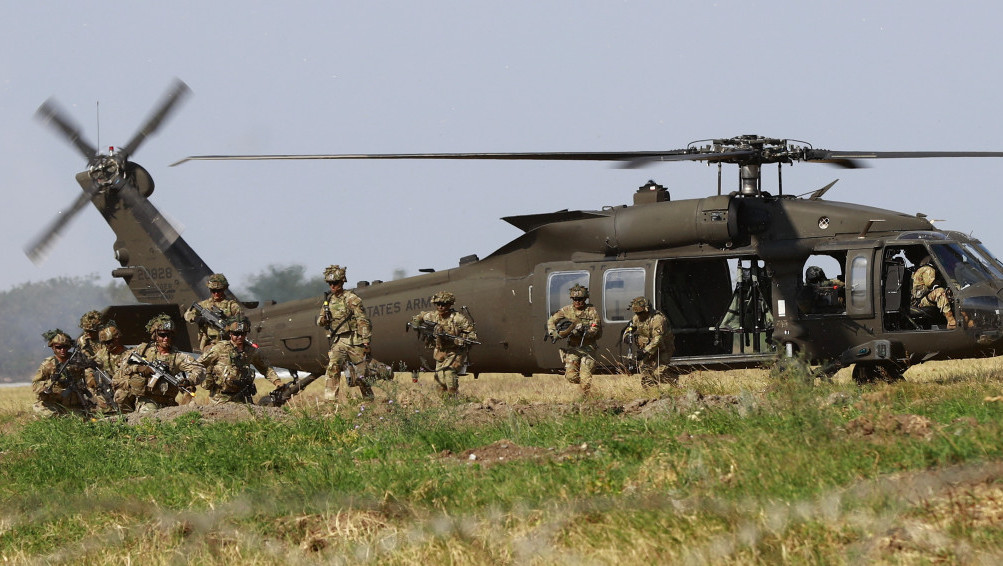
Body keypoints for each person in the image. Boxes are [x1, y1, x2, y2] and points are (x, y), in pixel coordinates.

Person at [113, 314, 205, 414]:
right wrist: (138, 368)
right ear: (155, 335)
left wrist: (189, 380)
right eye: (162, 335)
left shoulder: (178, 357)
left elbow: (200, 369)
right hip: (146, 401)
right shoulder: (142, 351)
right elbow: (121, 370)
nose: (166, 338)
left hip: (168, 402)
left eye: (169, 335)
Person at [316, 265, 374, 401]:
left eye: (335, 283)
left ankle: (369, 400)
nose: (332, 286)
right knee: (332, 368)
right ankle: (330, 402)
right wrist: (325, 318)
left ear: (342, 282)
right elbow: (319, 321)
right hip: (338, 341)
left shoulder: (352, 299)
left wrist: (365, 340)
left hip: (354, 340)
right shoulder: (328, 301)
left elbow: (362, 320)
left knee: (361, 373)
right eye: (330, 283)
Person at [197, 316, 284, 404]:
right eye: (236, 334)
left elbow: (265, 368)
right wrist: (192, 381)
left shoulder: (251, 351)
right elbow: (198, 364)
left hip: (243, 398)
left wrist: (277, 382)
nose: (239, 337)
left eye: (243, 334)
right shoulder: (219, 348)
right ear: (230, 334)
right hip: (220, 399)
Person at [409, 291, 478, 396]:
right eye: (438, 304)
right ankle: (444, 403)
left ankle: (453, 399)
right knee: (440, 378)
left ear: (450, 305)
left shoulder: (458, 318)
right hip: (440, 352)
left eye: (443, 304)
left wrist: (459, 340)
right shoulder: (432, 316)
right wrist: (416, 324)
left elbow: (472, 336)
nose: (440, 307)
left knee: (449, 373)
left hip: (455, 352)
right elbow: (419, 317)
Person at [546, 283, 603, 395]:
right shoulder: (566, 310)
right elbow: (551, 320)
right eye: (575, 299)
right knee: (571, 377)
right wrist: (553, 332)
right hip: (573, 349)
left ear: (585, 299)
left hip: (588, 349)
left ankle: (585, 397)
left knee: (585, 378)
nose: (577, 302)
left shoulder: (591, 311)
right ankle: (583, 385)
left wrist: (584, 332)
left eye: (580, 299)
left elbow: (595, 329)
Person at [31, 329, 93, 417]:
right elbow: (35, 385)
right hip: (53, 405)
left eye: (65, 347)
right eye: (58, 347)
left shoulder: (77, 360)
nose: (62, 350)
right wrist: (51, 383)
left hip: (74, 405)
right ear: (53, 347)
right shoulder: (48, 364)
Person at [184, 273, 243, 352]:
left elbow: (240, 323)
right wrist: (196, 318)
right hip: (209, 345)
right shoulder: (204, 305)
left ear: (224, 289)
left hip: (228, 345)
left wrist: (228, 321)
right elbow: (187, 314)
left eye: (219, 290)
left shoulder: (232, 305)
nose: (216, 293)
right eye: (213, 291)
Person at [624, 297, 675, 387]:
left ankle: (676, 384)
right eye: (637, 313)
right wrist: (627, 336)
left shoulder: (657, 319)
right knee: (644, 369)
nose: (638, 315)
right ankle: (652, 392)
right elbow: (630, 328)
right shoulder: (637, 318)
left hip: (664, 348)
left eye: (640, 313)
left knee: (659, 373)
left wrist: (644, 351)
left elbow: (657, 339)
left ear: (646, 310)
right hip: (649, 348)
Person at [906, 249, 956, 329]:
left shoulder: (920, 268)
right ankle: (951, 320)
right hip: (920, 301)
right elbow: (931, 284)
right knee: (940, 292)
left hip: (924, 298)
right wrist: (939, 282)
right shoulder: (927, 268)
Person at [85, 324, 129, 413]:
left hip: (122, 389)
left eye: (109, 342)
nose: (107, 345)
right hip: (105, 388)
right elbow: (91, 365)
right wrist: (91, 377)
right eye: (104, 343)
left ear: (117, 339)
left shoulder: (128, 354)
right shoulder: (102, 353)